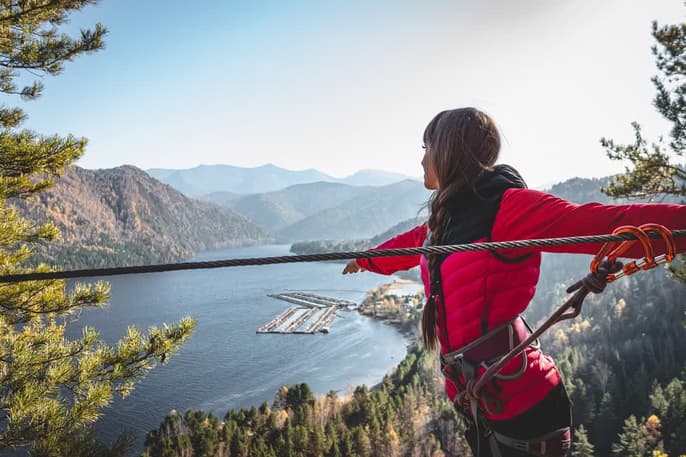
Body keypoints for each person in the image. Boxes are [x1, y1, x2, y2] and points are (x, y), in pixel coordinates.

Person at [341, 107, 686, 457]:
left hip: (527, 409)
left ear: (447, 150)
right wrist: (365, 259)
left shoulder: (508, 208)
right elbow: (409, 244)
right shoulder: (442, 223)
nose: (422, 159)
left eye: (426, 147)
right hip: (483, 404)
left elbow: (606, 222)